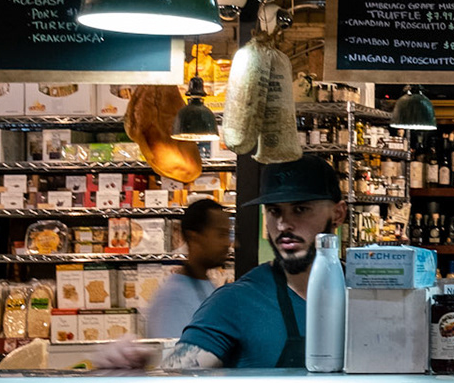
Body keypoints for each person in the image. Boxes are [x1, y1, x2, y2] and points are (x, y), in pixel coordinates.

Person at [99, 157, 348, 370]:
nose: (283, 225)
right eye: (274, 211)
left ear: (338, 214)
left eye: (301, 209)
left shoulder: (370, 295)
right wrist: (127, 369)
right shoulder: (236, 302)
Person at [141, 198, 232, 340]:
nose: (228, 243)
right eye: (221, 235)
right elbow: (174, 357)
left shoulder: (205, 283)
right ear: (194, 238)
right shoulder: (172, 300)